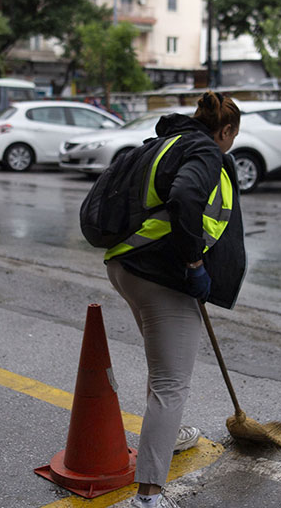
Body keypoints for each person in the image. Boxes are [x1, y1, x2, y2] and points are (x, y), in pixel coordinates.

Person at [104, 91, 245, 508]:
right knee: (171, 384)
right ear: (225, 131)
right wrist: (194, 262)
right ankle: (148, 497)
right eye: (233, 136)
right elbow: (185, 198)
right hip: (160, 276)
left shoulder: (166, 143)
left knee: (161, 367)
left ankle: (173, 435)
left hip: (126, 267)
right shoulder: (205, 153)